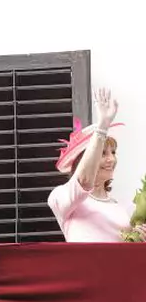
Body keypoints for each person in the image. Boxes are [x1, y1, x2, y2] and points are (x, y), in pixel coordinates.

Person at [48, 87, 146, 242]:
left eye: (113, 152)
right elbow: (84, 182)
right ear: (83, 160)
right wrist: (102, 128)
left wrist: (139, 240)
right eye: (103, 154)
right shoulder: (61, 197)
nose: (111, 159)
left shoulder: (123, 207)